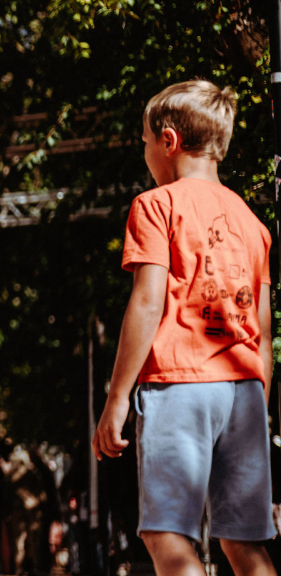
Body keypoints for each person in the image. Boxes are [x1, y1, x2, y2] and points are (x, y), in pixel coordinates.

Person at [93, 81, 277, 576]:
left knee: (167, 535)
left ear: (169, 141)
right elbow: (262, 326)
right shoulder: (253, 222)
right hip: (243, 393)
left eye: (146, 143)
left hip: (180, 387)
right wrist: (258, 401)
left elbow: (148, 302)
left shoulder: (156, 206)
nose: (146, 153)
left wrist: (115, 399)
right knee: (244, 545)